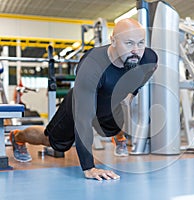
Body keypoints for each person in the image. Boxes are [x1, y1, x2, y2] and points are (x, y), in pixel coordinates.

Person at [9, 18, 158, 181]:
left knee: (118, 117)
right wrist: (89, 167)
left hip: (109, 100)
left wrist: (131, 93)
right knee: (53, 142)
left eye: (141, 43)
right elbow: (83, 120)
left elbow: (146, 73)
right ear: (113, 41)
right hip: (79, 105)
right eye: (129, 43)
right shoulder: (92, 66)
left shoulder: (148, 59)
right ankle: (18, 137)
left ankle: (118, 135)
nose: (136, 50)